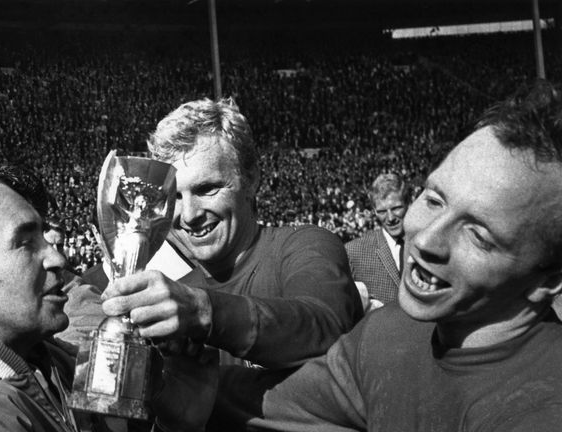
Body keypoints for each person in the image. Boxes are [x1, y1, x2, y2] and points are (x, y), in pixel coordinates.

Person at [239, 81, 562, 431]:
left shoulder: (543, 411)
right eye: (434, 199)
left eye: (478, 234)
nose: (426, 239)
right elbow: (259, 403)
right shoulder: (389, 331)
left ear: (549, 281)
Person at [98, 97, 363, 429]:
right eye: (174, 197)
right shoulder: (160, 291)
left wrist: (205, 312)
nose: (190, 215)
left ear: (251, 179)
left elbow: (325, 324)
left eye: (208, 189)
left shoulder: (302, 245)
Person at [0, 177, 217, 432]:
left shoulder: (43, 358)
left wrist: (179, 423)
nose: (57, 257)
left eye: (46, 237)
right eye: (25, 242)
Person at [345, 172, 410, 305]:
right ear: (374, 211)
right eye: (382, 212)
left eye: (396, 208)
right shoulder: (354, 251)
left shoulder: (428, 241)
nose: (390, 218)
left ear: (409, 203)